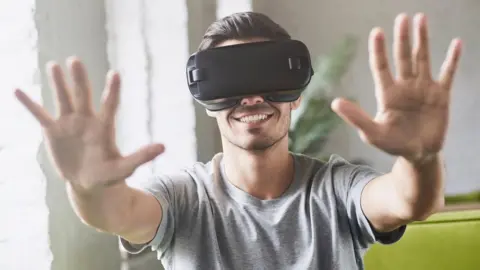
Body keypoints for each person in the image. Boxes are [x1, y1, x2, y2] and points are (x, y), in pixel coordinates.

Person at [15, 11, 461, 270]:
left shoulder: (336, 190)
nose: (251, 97)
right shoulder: (183, 198)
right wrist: (90, 187)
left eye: (268, 79)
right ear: (206, 100)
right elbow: (117, 212)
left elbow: (409, 201)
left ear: (296, 95)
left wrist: (422, 157)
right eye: (232, 82)